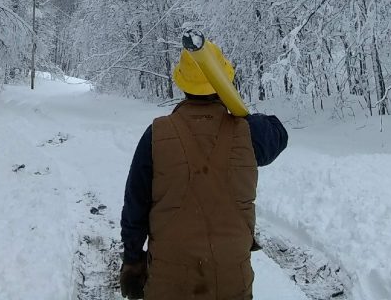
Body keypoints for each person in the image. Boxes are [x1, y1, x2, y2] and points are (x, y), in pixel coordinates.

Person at [119, 40, 288, 300]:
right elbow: (279, 133)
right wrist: (241, 115)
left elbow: (135, 207)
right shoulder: (250, 133)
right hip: (232, 286)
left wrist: (132, 259)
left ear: (182, 84)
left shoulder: (156, 135)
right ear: (224, 80)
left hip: (168, 285)